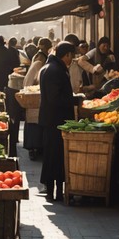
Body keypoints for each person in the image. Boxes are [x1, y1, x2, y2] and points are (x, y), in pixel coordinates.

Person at [38, 41, 77, 202]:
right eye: (71, 56)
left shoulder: (51, 67)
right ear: (66, 55)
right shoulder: (56, 70)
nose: (71, 60)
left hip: (51, 120)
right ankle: (54, 192)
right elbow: (55, 99)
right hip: (56, 120)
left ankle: (54, 190)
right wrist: (74, 100)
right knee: (56, 156)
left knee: (52, 155)